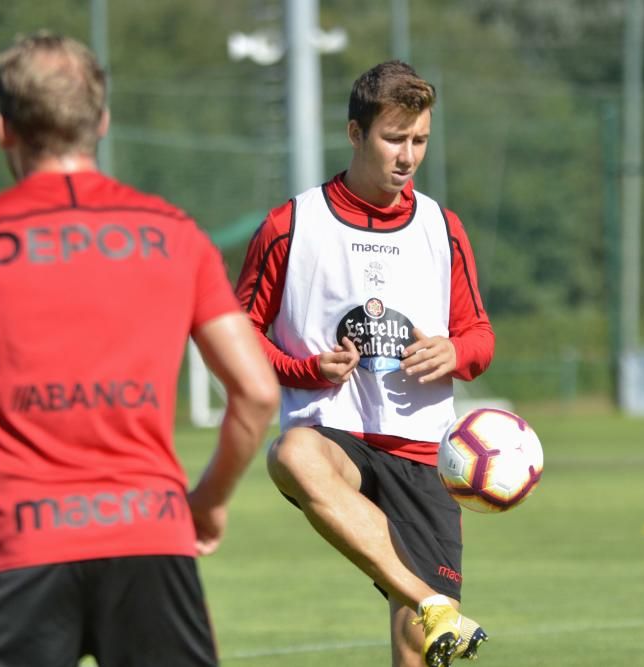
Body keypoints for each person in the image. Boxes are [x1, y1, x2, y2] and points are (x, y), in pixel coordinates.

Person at [0, 31, 279, 667]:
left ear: (2, 130)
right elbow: (257, 391)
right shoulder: (175, 235)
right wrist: (207, 500)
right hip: (151, 533)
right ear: (102, 122)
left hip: (17, 540)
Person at [235, 61, 496, 667]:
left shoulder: (441, 228)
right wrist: (304, 371)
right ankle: (430, 599)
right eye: (393, 138)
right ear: (355, 134)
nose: (407, 156)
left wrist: (456, 352)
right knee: (293, 454)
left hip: (422, 454)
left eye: (420, 141)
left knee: (418, 652)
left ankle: (428, 608)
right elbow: (237, 335)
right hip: (337, 436)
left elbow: (479, 335)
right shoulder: (291, 225)